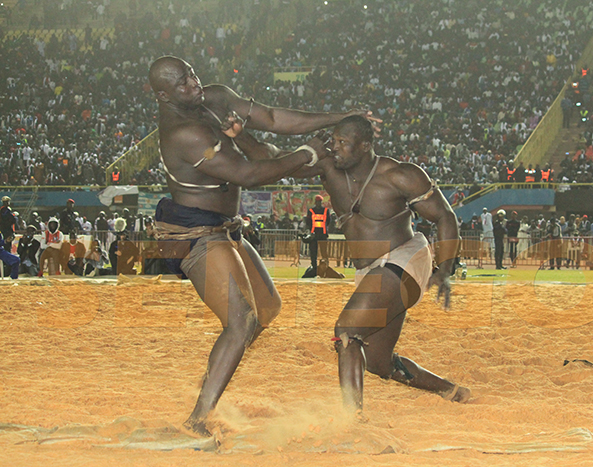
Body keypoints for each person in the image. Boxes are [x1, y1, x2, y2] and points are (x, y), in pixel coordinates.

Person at [147, 55, 373, 436]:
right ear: (163, 95)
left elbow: (272, 118)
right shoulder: (182, 133)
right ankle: (198, 419)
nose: (193, 82)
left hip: (223, 228)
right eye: (182, 83)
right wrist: (308, 153)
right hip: (194, 234)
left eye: (192, 73)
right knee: (241, 322)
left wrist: (336, 118)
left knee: (267, 307)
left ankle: (216, 376)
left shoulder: (214, 98)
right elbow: (247, 175)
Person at [291, 115, 469, 416]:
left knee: (347, 332)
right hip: (371, 271)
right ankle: (451, 390)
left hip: (405, 258)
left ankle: (352, 422)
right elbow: (267, 162)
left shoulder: (399, 174)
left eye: (343, 143)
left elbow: (444, 216)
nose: (334, 148)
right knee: (378, 363)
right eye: (333, 141)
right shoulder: (329, 169)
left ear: (365, 146)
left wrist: (444, 269)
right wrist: (239, 134)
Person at [303, 194, 330, 277]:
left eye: (320, 202)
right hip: (314, 235)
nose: (318, 203)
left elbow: (328, 221)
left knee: (324, 252)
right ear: (315, 202)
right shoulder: (311, 211)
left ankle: (325, 267)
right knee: (313, 252)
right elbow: (308, 222)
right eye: (317, 202)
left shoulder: (326, 210)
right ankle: (314, 267)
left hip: (322, 235)